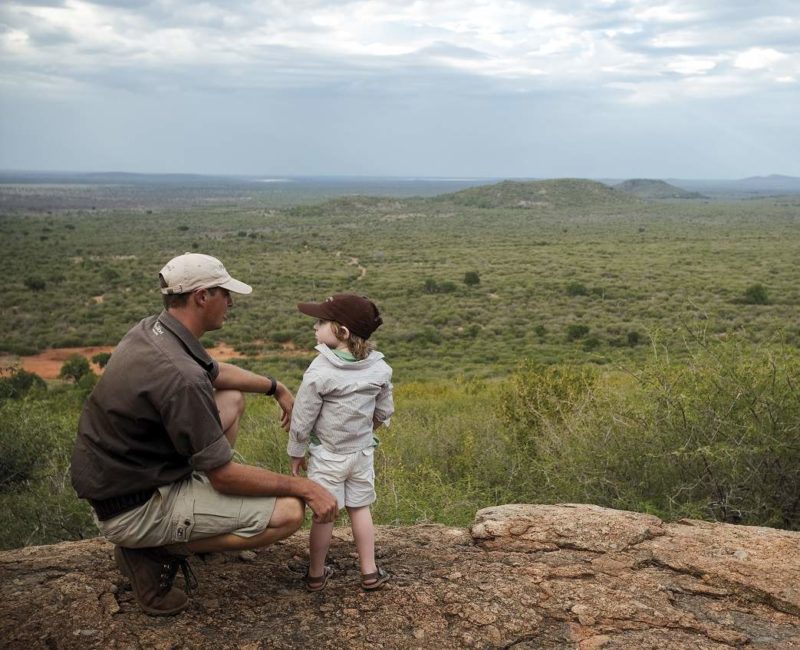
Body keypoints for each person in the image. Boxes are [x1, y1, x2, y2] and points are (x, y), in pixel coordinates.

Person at [70, 252, 337, 616]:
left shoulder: (153, 331)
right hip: (135, 508)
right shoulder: (181, 377)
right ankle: (154, 550)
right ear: (201, 297)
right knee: (289, 512)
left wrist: (276, 387)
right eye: (224, 293)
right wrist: (306, 487)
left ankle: (174, 526)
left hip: (122, 481)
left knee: (230, 398)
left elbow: (214, 372)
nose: (230, 302)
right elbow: (225, 477)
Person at [288, 294, 394, 591]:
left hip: (327, 456)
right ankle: (369, 572)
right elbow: (385, 410)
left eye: (321, 322)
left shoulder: (320, 371)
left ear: (342, 332)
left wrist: (296, 452)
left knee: (325, 515)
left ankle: (316, 574)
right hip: (361, 453)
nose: (315, 327)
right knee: (360, 509)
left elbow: (303, 417)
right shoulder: (379, 369)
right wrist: (366, 429)